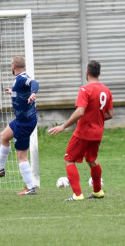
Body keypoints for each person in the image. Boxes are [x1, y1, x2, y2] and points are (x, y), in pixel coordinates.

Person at [49, 60, 114, 201]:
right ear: (100, 73)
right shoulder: (106, 90)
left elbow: (80, 111)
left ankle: (77, 195)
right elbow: (110, 114)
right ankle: (98, 192)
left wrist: (63, 126)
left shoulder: (85, 90)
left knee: (69, 159)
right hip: (97, 133)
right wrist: (96, 119)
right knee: (92, 160)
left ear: (87, 72)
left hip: (83, 132)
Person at [0, 57, 39, 195]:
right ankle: (0, 169)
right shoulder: (19, 79)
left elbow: (34, 83)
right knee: (4, 136)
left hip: (24, 123)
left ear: (13, 66)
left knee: (21, 156)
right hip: (22, 119)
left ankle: (31, 187)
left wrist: (33, 93)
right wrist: (13, 93)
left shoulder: (22, 78)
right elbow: (23, 93)